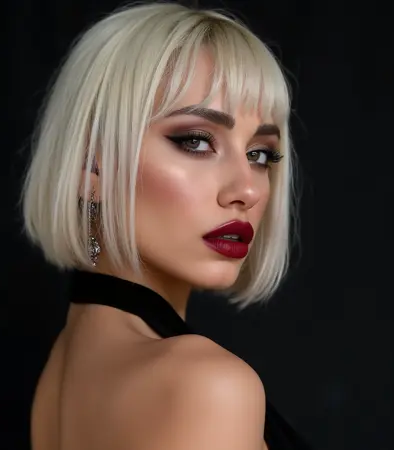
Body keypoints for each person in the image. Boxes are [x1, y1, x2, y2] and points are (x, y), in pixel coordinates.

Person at [22, 2, 312, 449]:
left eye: (259, 154)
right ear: (91, 169)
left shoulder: (64, 371)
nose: (247, 190)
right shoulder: (208, 386)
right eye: (196, 141)